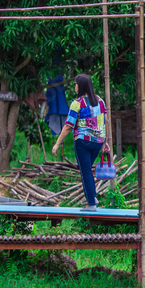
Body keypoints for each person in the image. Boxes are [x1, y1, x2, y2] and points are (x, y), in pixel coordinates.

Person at [51, 74, 111, 211]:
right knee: (88, 170)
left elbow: (68, 126)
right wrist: (105, 141)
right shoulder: (100, 101)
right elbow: (105, 121)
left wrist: (57, 144)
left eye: (75, 83)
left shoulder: (77, 103)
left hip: (83, 141)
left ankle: (91, 204)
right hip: (98, 141)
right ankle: (93, 196)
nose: (75, 86)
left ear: (81, 85)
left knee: (85, 172)